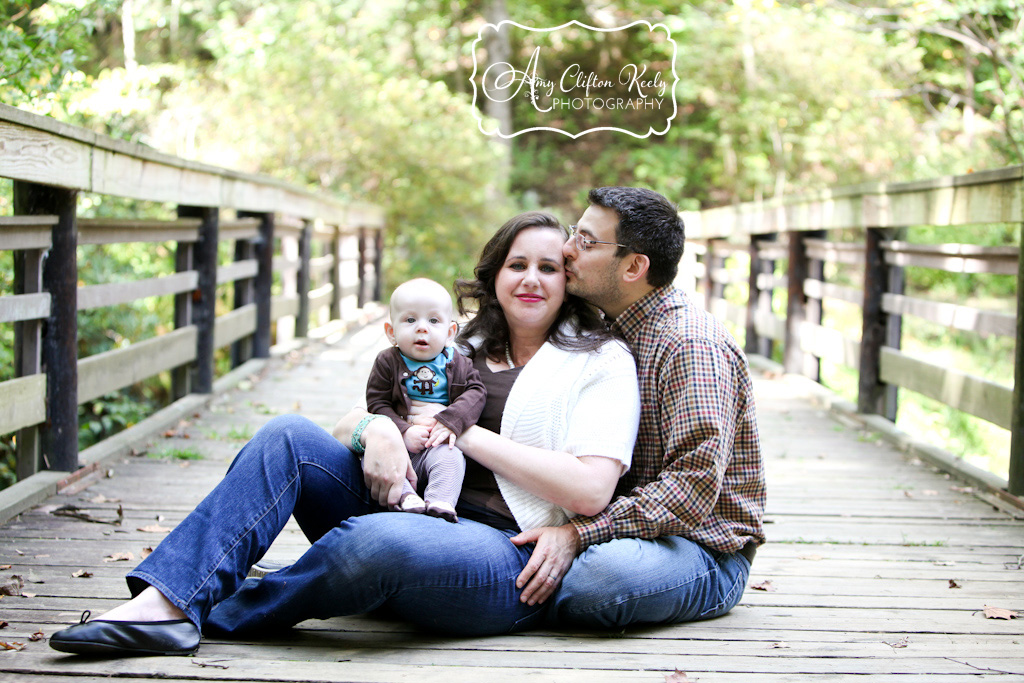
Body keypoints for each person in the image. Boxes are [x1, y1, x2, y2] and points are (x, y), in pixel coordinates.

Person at [48, 211, 640, 656]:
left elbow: (591, 493)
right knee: (286, 436)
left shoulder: (598, 361)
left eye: (548, 266)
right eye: (517, 264)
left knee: (376, 541)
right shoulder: (456, 350)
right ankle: (165, 602)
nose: (531, 278)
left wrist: (460, 436)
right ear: (494, 276)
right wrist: (376, 429)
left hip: (497, 550)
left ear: (570, 281)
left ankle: (219, 604)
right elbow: (345, 423)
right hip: (405, 498)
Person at [535, 186, 766, 628]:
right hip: (626, 529)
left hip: (701, 550)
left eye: (586, 241)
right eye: (573, 233)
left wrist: (578, 534)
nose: (566, 249)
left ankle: (525, 587)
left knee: (597, 582)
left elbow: (692, 488)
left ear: (635, 267)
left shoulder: (689, 344)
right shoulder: (603, 328)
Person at [366, 277, 486, 522]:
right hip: (399, 444)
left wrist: (451, 420)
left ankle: (440, 500)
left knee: (452, 457)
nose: (422, 328)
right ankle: (406, 496)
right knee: (377, 458)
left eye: (433, 320)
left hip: (436, 442)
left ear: (450, 332)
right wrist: (402, 432)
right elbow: (377, 404)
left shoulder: (457, 362)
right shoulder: (387, 362)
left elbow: (476, 392)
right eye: (410, 320)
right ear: (391, 332)